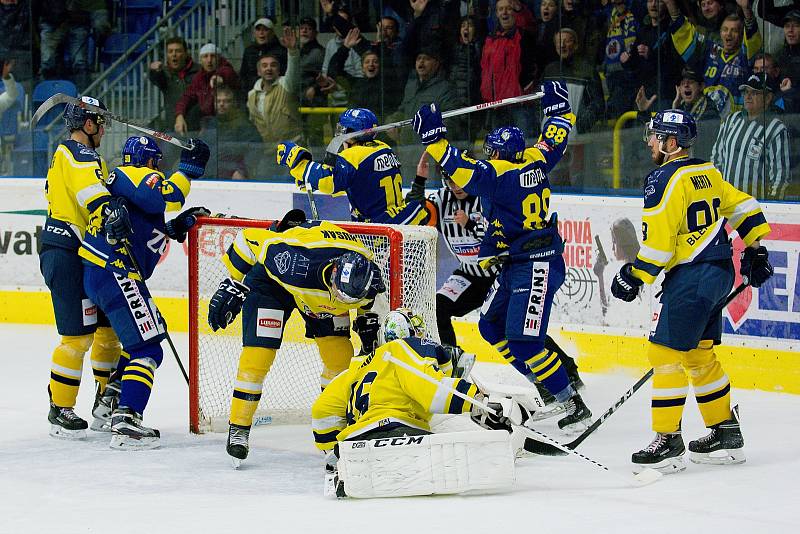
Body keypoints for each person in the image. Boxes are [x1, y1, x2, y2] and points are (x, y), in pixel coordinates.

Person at [411, 81, 593, 432]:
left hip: (536, 263)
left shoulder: (498, 176)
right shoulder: (537, 158)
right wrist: (558, 107)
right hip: (517, 263)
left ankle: (570, 401)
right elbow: (556, 135)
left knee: (524, 341)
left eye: (490, 151)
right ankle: (548, 383)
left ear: (496, 153)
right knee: (490, 326)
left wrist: (433, 138)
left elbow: (460, 168)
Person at [610, 109, 773, 473]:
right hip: (717, 274)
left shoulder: (662, 179)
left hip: (692, 276)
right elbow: (743, 205)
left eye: (656, 137)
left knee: (663, 352)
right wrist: (756, 246)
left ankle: (667, 441)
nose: (650, 142)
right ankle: (725, 431)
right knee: (698, 355)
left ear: (671, 143)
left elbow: (659, 247)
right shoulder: (707, 171)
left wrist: (633, 276)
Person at [206, 213, 387, 466]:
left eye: (349, 300)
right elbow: (248, 239)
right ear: (334, 272)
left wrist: (368, 325)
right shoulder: (295, 260)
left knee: (340, 360)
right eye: (339, 293)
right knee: (257, 359)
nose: (341, 301)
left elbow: (368, 307)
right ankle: (239, 429)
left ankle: (335, 425)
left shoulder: (369, 278)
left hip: (315, 297)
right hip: (272, 285)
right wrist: (233, 283)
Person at [408, 150, 585, 397]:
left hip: (498, 272)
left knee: (520, 327)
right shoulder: (441, 199)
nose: (456, 185)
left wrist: (469, 224)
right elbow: (413, 216)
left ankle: (566, 371)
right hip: (469, 274)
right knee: (439, 307)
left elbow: (497, 235)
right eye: (449, 180)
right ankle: (452, 366)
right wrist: (419, 180)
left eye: (459, 179)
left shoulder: (487, 194)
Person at [79, 135, 210, 450]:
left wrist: (174, 228)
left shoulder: (128, 190)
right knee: (149, 349)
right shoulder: (136, 175)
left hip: (102, 272)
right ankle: (127, 421)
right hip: (116, 272)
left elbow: (148, 224)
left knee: (141, 338)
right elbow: (167, 196)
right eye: (159, 165)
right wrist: (189, 170)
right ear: (150, 161)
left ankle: (107, 405)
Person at [311, 308, 523, 498]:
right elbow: (430, 389)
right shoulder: (406, 348)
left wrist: (336, 452)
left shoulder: (356, 368)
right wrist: (478, 401)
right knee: (465, 432)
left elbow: (322, 412)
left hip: (356, 441)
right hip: (398, 432)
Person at [40, 96, 121, 440]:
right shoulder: (78, 153)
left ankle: (105, 403)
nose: (103, 129)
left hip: (87, 254)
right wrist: (108, 210)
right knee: (77, 337)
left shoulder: (79, 157)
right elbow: (92, 195)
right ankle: (60, 405)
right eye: (100, 123)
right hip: (66, 254)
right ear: (88, 125)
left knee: (107, 331)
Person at [276, 108, 429, 225]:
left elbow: (329, 183)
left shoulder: (354, 155)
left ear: (350, 133)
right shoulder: (383, 147)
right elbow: (358, 182)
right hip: (399, 218)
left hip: (379, 229)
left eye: (342, 130)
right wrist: (312, 181)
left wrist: (298, 163)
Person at [665, 0, 761, 116]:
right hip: (707, 120)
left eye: (734, 30)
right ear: (720, 33)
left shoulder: (745, 57)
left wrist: (746, 9)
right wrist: (671, 4)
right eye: (725, 30)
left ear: (741, 35)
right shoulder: (707, 52)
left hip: (735, 125)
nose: (728, 34)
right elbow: (684, 35)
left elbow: (752, 37)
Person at [711, 73, 791, 199]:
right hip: (725, 204)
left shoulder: (776, 129)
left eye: (754, 93)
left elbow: (780, 177)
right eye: (746, 92)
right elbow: (716, 159)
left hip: (756, 207)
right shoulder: (731, 120)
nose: (747, 96)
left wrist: (772, 208)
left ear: (768, 97)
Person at [174, 43, 240, 136]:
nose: (209, 60)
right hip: (208, 122)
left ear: (219, 58)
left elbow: (228, 72)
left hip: (227, 123)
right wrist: (179, 115)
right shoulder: (199, 77)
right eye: (205, 56)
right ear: (201, 60)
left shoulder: (226, 70)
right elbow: (186, 97)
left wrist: (220, 77)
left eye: (213, 56)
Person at [148, 36, 199, 132]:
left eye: (178, 51)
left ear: (185, 53)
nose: (174, 54)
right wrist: (153, 71)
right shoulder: (164, 73)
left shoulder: (198, 71)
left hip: (196, 128)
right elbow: (155, 79)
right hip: (173, 128)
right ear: (166, 54)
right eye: (170, 51)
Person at [240, 18, 287, 92]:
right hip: (252, 93)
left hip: (275, 92)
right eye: (258, 30)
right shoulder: (249, 51)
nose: (261, 33)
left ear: (272, 33)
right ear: (254, 33)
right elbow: (243, 74)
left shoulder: (282, 51)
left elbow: (285, 74)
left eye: (265, 30)